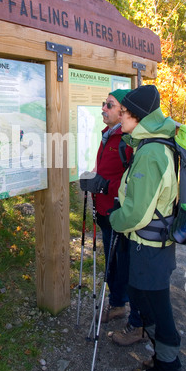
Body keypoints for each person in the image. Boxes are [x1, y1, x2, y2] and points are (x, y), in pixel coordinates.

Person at [109, 85, 183, 371]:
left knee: (157, 308)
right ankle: (163, 359)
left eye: (124, 112)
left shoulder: (151, 153)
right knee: (146, 301)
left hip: (150, 248)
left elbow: (137, 213)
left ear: (138, 117)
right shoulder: (151, 144)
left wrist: (115, 218)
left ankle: (168, 367)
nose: (120, 116)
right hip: (153, 246)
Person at [80, 89, 143, 345]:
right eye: (104, 104)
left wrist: (105, 186)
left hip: (122, 215)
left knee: (128, 267)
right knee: (113, 264)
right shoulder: (108, 135)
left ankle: (137, 323)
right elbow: (106, 170)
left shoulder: (129, 140)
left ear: (123, 111)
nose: (103, 108)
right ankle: (118, 305)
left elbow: (134, 184)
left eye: (110, 105)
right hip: (105, 214)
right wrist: (94, 179)